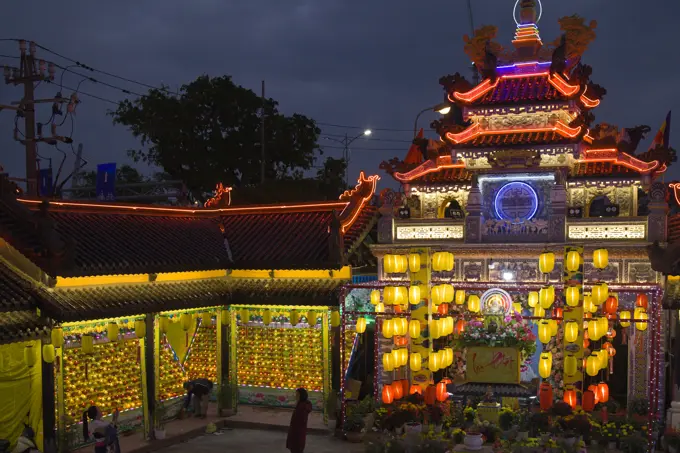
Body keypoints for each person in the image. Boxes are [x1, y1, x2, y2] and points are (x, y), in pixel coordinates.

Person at [286, 388, 312, 453]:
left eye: (297, 395)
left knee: (296, 449)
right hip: (296, 432)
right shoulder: (301, 404)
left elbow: (301, 421)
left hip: (298, 433)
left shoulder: (302, 406)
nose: (296, 396)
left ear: (301, 396)